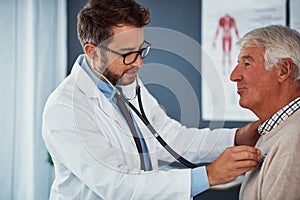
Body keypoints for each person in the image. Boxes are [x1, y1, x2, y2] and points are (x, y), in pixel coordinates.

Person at [42, 0, 261, 199]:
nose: (139, 63)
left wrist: (237, 137)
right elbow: (117, 185)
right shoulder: (65, 109)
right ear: (92, 51)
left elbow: (170, 138)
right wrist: (209, 176)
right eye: (127, 53)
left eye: (140, 50)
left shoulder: (125, 84)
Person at [230, 25, 300, 200]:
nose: (234, 76)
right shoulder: (274, 131)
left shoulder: (294, 140)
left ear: (283, 70)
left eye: (247, 64)